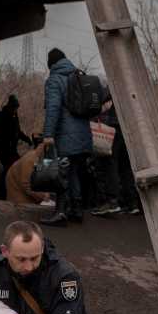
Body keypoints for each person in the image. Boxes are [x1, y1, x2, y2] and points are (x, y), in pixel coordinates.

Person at [40, 48, 93, 227]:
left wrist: (48, 134)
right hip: (83, 135)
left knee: (60, 172)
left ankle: (60, 211)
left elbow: (53, 109)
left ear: (51, 64)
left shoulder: (55, 80)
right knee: (74, 172)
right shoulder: (77, 76)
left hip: (65, 135)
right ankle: (76, 210)